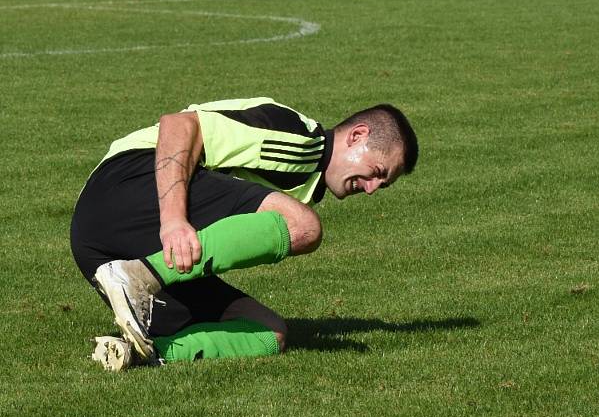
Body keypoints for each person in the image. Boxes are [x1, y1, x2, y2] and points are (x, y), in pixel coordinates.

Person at [71, 97, 418, 370]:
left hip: (99, 246)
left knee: (268, 332)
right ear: (357, 135)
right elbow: (178, 125)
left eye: (382, 185)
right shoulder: (298, 138)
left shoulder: (307, 182)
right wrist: (174, 221)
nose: (372, 188)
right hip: (123, 187)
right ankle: (140, 278)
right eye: (376, 172)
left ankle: (139, 353)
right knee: (304, 226)